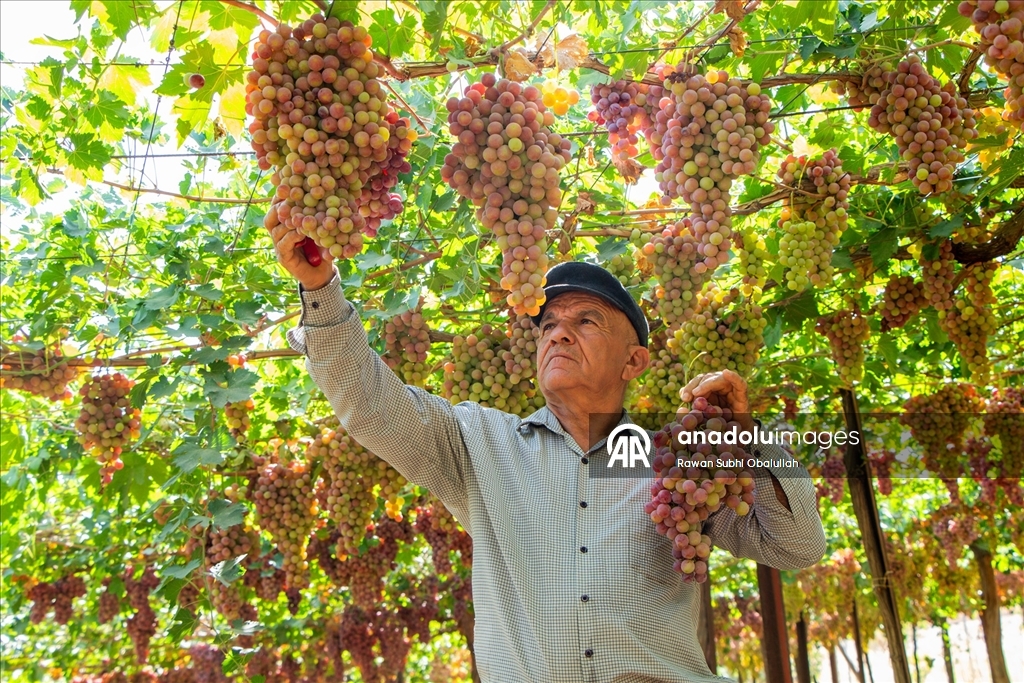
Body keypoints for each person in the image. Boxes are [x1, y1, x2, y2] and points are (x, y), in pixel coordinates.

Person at [269, 224, 827, 683]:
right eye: (548, 326)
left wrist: (744, 435)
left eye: (586, 321)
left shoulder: (678, 469)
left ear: (634, 363)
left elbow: (798, 546)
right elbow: (367, 401)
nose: (557, 335)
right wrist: (321, 289)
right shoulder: (477, 444)